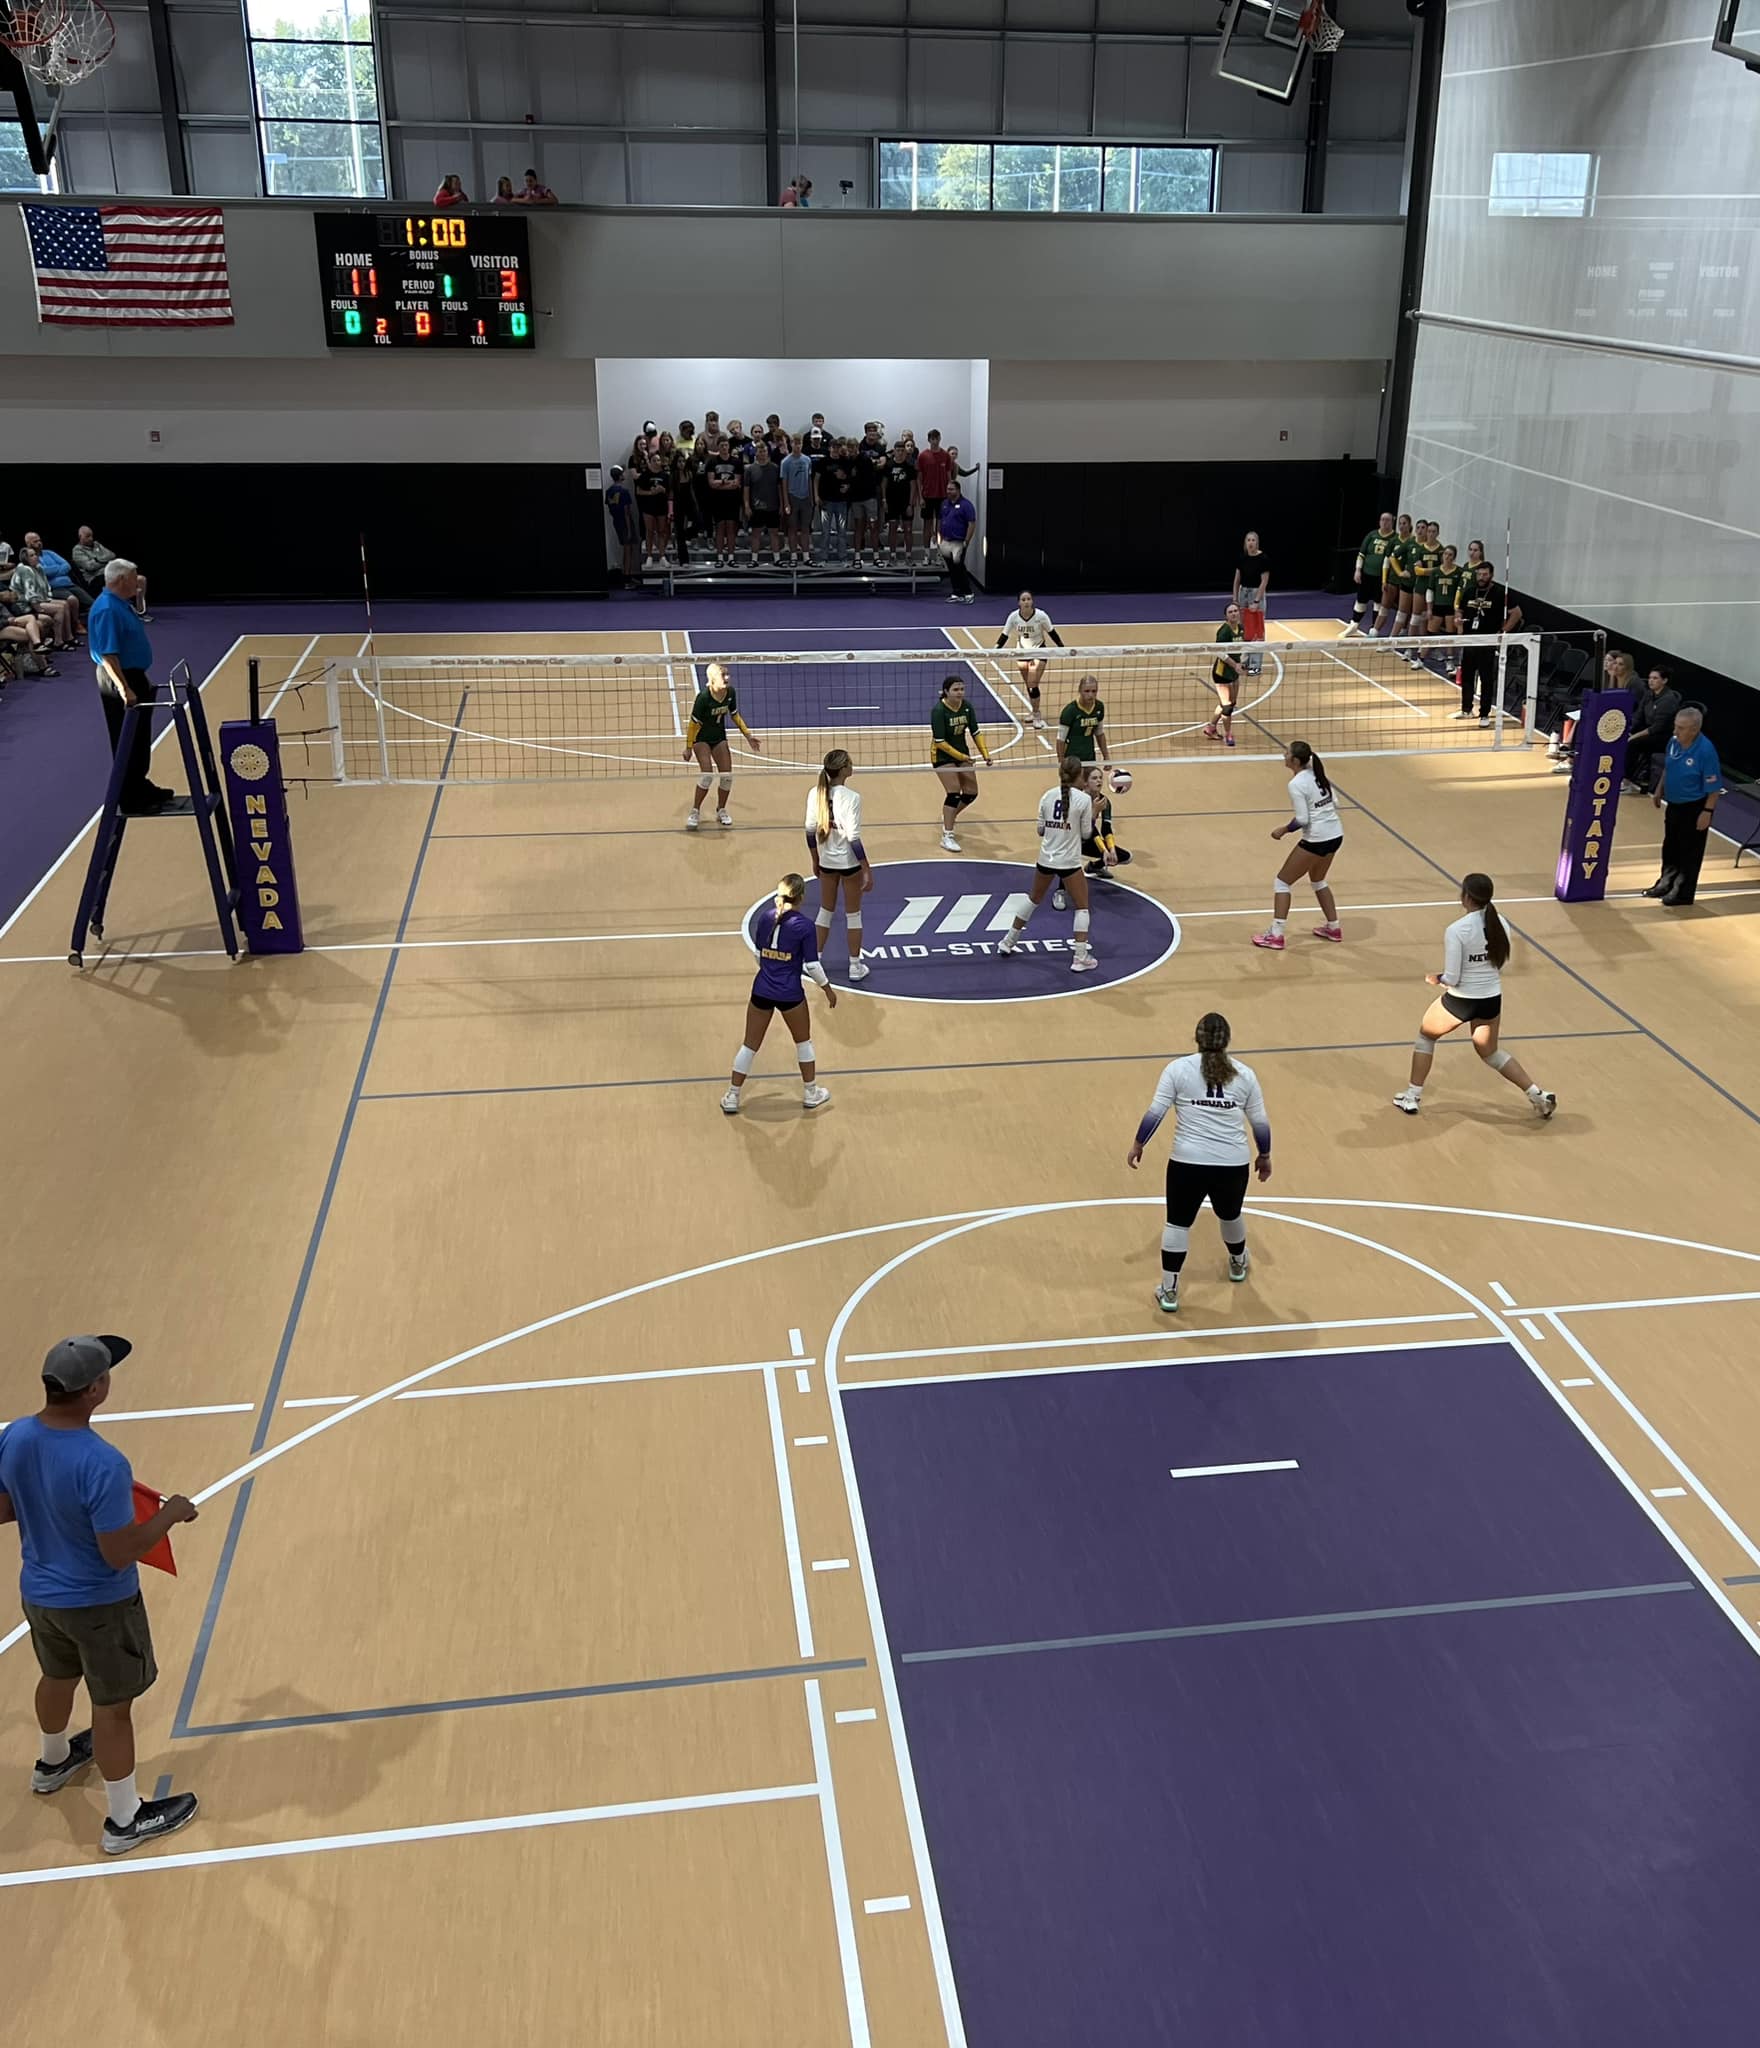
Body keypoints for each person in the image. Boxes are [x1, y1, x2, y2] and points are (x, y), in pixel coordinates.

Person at [0, 1334, 201, 1856]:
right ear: (94, 1390)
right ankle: (124, 1820)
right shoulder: (102, 1462)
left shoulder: (15, 1436)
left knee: (56, 1676)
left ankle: (52, 1762)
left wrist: (46, 1504)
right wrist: (170, 1514)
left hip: (40, 1596)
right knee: (112, 1710)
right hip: (100, 1606)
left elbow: (2, 1508)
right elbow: (119, 1552)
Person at [1126, 1013, 1271, 1314]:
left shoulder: (1178, 1069)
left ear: (1197, 1037)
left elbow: (1155, 1112)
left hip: (1187, 1162)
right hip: (1232, 1163)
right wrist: (1264, 1155)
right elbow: (1260, 1123)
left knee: (1177, 1223)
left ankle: (1169, 1290)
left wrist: (1139, 1143)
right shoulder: (1245, 1075)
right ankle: (1238, 1261)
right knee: (1230, 1215)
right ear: (1227, 1040)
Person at [1393, 874, 1556, 1118]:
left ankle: (1411, 1097)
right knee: (1490, 1053)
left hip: (1461, 1000)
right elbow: (1499, 964)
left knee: (1426, 1038)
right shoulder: (1501, 922)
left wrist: (1437, 978)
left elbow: (1452, 978)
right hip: (1491, 1000)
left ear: (1466, 897)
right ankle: (1537, 1095)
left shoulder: (1457, 930)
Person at [723, 874, 836, 1113]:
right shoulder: (805, 926)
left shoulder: (765, 918)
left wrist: (772, 969)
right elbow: (812, 966)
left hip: (762, 990)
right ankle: (811, 1092)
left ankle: (732, 1095)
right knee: (803, 1042)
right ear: (801, 897)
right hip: (790, 994)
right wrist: (827, 989)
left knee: (749, 1045)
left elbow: (758, 955)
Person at [89, 560, 174, 816]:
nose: (138, 581)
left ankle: (140, 785)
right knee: (126, 738)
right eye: (134, 577)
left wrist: (140, 678)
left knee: (140, 736)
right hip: (118, 678)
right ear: (121, 579)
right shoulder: (107, 609)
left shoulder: (120, 603)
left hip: (133, 675)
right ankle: (130, 798)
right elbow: (108, 655)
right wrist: (124, 688)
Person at [997, 754, 1097, 973]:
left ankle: (1008, 941)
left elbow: (1040, 830)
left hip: (1046, 858)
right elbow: (1086, 834)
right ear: (1079, 775)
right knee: (1082, 907)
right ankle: (1080, 957)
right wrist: (1093, 814)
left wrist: (1057, 829)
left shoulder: (1047, 796)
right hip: (1069, 862)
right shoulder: (1084, 800)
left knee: (1033, 899)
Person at [1253, 740, 1343, 950]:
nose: (1283, 756)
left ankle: (1276, 936)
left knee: (1282, 883)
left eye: (1286, 753)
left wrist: (1283, 830)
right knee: (1318, 880)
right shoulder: (1317, 774)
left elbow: (1303, 819)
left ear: (1294, 760)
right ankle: (1333, 928)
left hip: (1317, 839)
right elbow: (1335, 802)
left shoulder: (1296, 784)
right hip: (1336, 834)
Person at [806, 749, 872, 981]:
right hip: (848, 863)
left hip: (827, 861)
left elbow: (809, 832)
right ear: (843, 769)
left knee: (825, 911)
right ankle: (855, 967)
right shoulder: (852, 798)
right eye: (850, 763)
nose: (852, 766)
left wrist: (815, 859)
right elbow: (853, 839)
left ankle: (813, 961)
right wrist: (866, 868)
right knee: (853, 915)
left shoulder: (815, 793)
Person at [1646, 707, 1722, 908]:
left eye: (1681, 728)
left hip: (1694, 807)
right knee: (1670, 846)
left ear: (1694, 729)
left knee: (1689, 851)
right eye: (1675, 726)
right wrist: (1659, 789)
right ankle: (1666, 882)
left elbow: (1714, 787)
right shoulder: (1674, 742)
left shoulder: (1706, 751)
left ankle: (1683, 893)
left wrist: (1707, 812)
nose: (1675, 731)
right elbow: (1669, 767)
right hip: (1674, 804)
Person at [683, 661, 760, 828]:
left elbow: (735, 715)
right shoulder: (703, 698)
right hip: (701, 739)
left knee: (726, 776)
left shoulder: (730, 692)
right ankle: (695, 811)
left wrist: (748, 736)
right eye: (722, 675)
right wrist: (688, 747)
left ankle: (721, 810)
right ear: (712, 679)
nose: (727, 678)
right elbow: (693, 725)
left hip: (718, 738)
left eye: (727, 674)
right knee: (707, 775)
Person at [1453, 561, 1522, 724]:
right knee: (1467, 677)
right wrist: (1458, 622)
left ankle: (1484, 714)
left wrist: (1504, 631)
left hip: (1487, 641)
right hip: (1470, 640)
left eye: (1484, 574)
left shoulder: (1499, 593)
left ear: (1491, 575)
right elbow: (1459, 610)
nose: (1481, 577)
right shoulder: (1470, 591)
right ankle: (1466, 709)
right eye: (1479, 574)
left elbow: (1517, 613)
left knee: (1486, 679)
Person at [1550, 647, 1638, 770]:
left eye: (1618, 664)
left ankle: (1570, 757)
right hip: (1610, 714)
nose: (1614, 666)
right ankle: (1568, 753)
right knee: (1580, 717)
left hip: (1622, 719)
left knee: (1583, 722)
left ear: (1627, 667)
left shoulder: (1632, 683)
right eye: (1614, 663)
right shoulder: (1610, 678)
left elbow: (1621, 704)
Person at [931, 673, 990, 851]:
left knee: (971, 792)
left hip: (962, 752)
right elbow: (940, 742)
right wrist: (962, 757)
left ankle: (949, 815)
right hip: (942, 755)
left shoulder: (967, 707)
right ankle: (947, 835)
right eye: (956, 689)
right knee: (954, 792)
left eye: (962, 689)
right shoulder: (939, 711)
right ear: (946, 691)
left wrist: (985, 753)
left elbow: (975, 732)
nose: (960, 692)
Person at [997, 591, 1063, 731]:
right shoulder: (1014, 617)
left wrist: (1062, 648)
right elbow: (1004, 635)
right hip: (1022, 652)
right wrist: (995, 649)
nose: (1026, 602)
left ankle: (1037, 715)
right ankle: (1033, 711)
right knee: (1029, 684)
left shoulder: (1041, 616)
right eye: (1023, 599)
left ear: (1032, 601)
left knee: (1033, 683)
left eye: (1028, 599)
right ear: (1019, 602)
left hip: (1039, 651)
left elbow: (1052, 633)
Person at [1622, 666, 1682, 794]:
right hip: (1648, 729)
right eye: (1650, 678)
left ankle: (1627, 781)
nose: (1651, 681)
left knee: (1633, 743)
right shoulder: (1649, 694)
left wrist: (1634, 736)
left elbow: (1657, 727)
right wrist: (1629, 729)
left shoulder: (1668, 700)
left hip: (1663, 737)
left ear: (1664, 681)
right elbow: (1639, 715)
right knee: (1623, 736)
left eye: (1655, 678)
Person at [71, 528, 148, 619]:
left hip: (110, 573)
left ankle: (140, 611)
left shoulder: (97, 544)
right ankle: (124, 612)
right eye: (87, 536)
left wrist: (97, 560)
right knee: (121, 580)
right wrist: (104, 560)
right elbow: (90, 567)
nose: (91, 538)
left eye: (91, 535)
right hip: (95, 579)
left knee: (141, 579)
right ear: (80, 537)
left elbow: (112, 555)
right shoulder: (77, 550)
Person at [10, 549, 77, 649]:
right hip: (25, 604)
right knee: (59, 608)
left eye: (35, 554)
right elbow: (30, 593)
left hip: (40, 599)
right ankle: (58, 642)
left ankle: (68, 637)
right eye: (31, 555)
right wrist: (37, 607)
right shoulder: (24, 570)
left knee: (65, 604)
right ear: (25, 559)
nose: (35, 557)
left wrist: (48, 599)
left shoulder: (39, 568)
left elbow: (45, 587)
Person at [1344, 513, 1397, 636]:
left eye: (1387, 520)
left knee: (1378, 602)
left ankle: (1374, 628)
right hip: (1367, 574)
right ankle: (1354, 624)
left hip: (1382, 577)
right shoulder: (1372, 535)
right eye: (1382, 519)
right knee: (1361, 599)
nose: (1384, 522)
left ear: (1392, 522)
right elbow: (1361, 554)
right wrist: (1358, 570)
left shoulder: (1395, 538)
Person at [1373, 512, 1418, 641]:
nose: (1402, 526)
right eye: (1400, 523)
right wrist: (1384, 580)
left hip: (1407, 580)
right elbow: (1387, 561)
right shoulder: (1394, 541)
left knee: (1405, 609)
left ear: (1410, 525)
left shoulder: (1413, 541)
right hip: (1393, 578)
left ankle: (1402, 631)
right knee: (1385, 605)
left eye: (1404, 523)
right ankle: (1374, 631)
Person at [1080, 762, 1130, 877]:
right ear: (1085, 783)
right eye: (1094, 778)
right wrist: (1104, 850)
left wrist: (1111, 849)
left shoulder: (1105, 801)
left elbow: (1106, 828)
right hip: (1073, 840)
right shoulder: (1080, 800)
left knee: (1126, 857)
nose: (1099, 781)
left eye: (1100, 778)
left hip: (1088, 839)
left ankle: (1094, 867)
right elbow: (1090, 828)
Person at [1232, 531, 1270, 677]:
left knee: (1257, 631)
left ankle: (1256, 665)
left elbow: (1264, 582)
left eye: (1253, 540)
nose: (1251, 543)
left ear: (1257, 542)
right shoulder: (1242, 558)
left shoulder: (1263, 559)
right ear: (1245, 542)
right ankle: (1246, 661)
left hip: (1256, 594)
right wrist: (1235, 598)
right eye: (1248, 540)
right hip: (1243, 594)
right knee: (1245, 630)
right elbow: (1237, 580)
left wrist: (1256, 601)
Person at [1206, 602, 1245, 746]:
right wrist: (1235, 665)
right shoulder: (1224, 631)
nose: (1234, 613)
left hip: (1233, 672)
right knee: (1227, 706)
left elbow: (1240, 648)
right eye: (1230, 612)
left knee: (1231, 703)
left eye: (1235, 611)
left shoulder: (1241, 629)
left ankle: (1211, 727)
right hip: (1222, 673)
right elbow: (1219, 652)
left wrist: (1242, 664)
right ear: (1226, 616)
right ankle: (1228, 734)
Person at [1056, 672, 1111, 774]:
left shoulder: (1099, 707)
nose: (1090, 695)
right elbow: (1060, 739)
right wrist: (1061, 761)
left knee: (1091, 782)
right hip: (1072, 759)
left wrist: (1106, 756)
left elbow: (1099, 734)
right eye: (1087, 691)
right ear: (1080, 691)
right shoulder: (1070, 711)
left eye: (1094, 691)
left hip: (1089, 757)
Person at [704, 436, 745, 566]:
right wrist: (725, 482)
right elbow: (711, 483)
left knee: (731, 528)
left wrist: (720, 484)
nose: (724, 448)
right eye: (721, 445)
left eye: (726, 445)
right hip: (717, 500)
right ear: (718, 447)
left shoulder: (736, 462)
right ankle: (720, 557)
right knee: (720, 528)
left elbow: (737, 483)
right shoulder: (712, 462)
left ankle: (731, 557)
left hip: (733, 500)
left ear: (729, 446)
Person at [743, 438, 783, 567]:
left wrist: (782, 504)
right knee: (756, 533)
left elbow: (779, 488)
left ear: (767, 452)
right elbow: (746, 489)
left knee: (774, 533)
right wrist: (747, 505)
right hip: (757, 507)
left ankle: (777, 559)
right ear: (756, 453)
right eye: (760, 451)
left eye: (764, 451)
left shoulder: (775, 468)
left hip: (773, 506)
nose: (762, 453)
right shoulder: (750, 469)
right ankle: (754, 560)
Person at [850, 428, 886, 567]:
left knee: (873, 527)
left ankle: (876, 557)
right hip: (856, 499)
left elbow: (877, 470)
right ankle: (857, 557)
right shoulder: (848, 461)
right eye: (850, 447)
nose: (852, 450)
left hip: (870, 497)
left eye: (854, 447)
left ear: (857, 448)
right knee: (859, 528)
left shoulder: (865, 459)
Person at [938, 478, 976, 603]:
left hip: (959, 542)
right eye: (947, 489)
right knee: (952, 568)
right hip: (946, 541)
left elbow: (971, 524)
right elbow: (941, 520)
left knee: (959, 567)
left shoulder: (966, 505)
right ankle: (957, 592)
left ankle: (968, 593)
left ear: (958, 490)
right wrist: (939, 536)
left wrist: (967, 541)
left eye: (951, 489)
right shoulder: (944, 504)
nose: (948, 491)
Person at [916, 430, 952, 561]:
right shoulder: (923, 456)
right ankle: (926, 555)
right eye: (932, 438)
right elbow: (919, 478)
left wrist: (950, 495)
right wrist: (920, 497)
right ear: (929, 440)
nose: (935, 441)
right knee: (927, 525)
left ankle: (937, 553)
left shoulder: (946, 455)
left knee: (940, 527)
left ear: (940, 439)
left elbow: (949, 476)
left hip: (942, 496)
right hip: (927, 496)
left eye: (937, 438)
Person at [816, 441, 854, 565]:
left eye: (838, 447)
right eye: (833, 447)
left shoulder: (845, 461)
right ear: (829, 448)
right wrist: (816, 496)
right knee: (825, 532)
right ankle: (823, 558)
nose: (836, 449)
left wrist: (846, 484)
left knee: (842, 531)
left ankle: (843, 558)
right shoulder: (823, 462)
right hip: (826, 501)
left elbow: (851, 478)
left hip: (841, 500)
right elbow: (816, 479)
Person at [781, 435, 815, 565]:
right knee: (792, 528)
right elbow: (784, 483)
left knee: (805, 527)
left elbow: (809, 479)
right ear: (791, 444)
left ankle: (806, 556)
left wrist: (811, 498)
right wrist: (786, 502)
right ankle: (793, 556)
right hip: (792, 496)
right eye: (795, 443)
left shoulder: (807, 460)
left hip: (805, 497)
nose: (797, 446)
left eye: (799, 443)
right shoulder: (786, 462)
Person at [632, 453, 672, 567]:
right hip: (648, 507)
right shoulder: (645, 475)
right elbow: (638, 491)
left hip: (661, 507)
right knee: (649, 531)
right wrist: (651, 492)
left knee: (661, 531)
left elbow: (669, 492)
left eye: (658, 460)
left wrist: (663, 490)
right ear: (650, 462)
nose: (656, 462)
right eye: (654, 460)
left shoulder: (665, 475)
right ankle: (649, 556)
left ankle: (662, 556)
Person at [881, 440, 917, 563]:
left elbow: (913, 486)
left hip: (906, 503)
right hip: (892, 502)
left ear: (905, 452)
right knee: (892, 528)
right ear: (894, 451)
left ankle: (908, 555)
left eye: (902, 450)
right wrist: (884, 500)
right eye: (898, 450)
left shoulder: (909, 466)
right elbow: (884, 484)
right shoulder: (888, 465)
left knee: (908, 529)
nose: (900, 453)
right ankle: (892, 555)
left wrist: (911, 504)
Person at [604, 466, 638, 581]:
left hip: (616, 521)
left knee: (626, 548)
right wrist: (629, 529)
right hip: (625, 522)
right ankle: (627, 577)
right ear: (620, 476)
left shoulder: (609, 491)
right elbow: (626, 512)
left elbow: (610, 507)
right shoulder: (624, 492)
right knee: (628, 549)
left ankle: (626, 573)